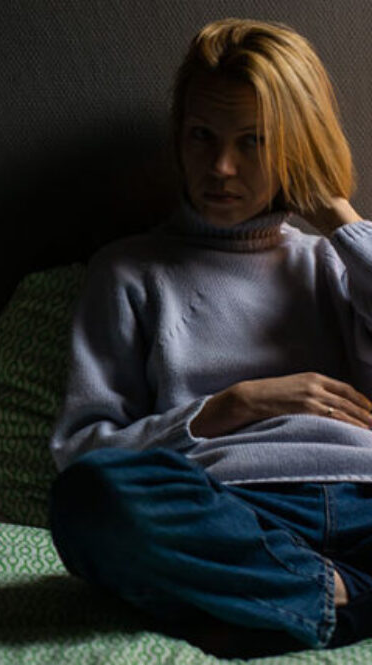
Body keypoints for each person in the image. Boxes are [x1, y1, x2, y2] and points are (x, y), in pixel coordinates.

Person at [49, 19, 372, 653]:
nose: (221, 168)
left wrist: (338, 216)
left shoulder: (335, 261)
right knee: (89, 500)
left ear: (297, 147)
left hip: (366, 498)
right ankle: (341, 597)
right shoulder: (128, 271)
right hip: (234, 513)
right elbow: (82, 451)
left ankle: (289, 603)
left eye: (254, 142)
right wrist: (230, 406)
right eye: (203, 136)